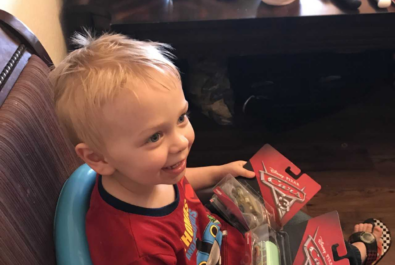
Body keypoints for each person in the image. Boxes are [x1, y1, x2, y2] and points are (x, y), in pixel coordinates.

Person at [49, 32, 385, 265]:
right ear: (98, 158)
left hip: (231, 243)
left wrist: (219, 172)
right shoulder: (136, 250)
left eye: (181, 117)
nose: (181, 141)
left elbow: (180, 181)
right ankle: (356, 255)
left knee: (299, 221)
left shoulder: (147, 174)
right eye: (154, 137)